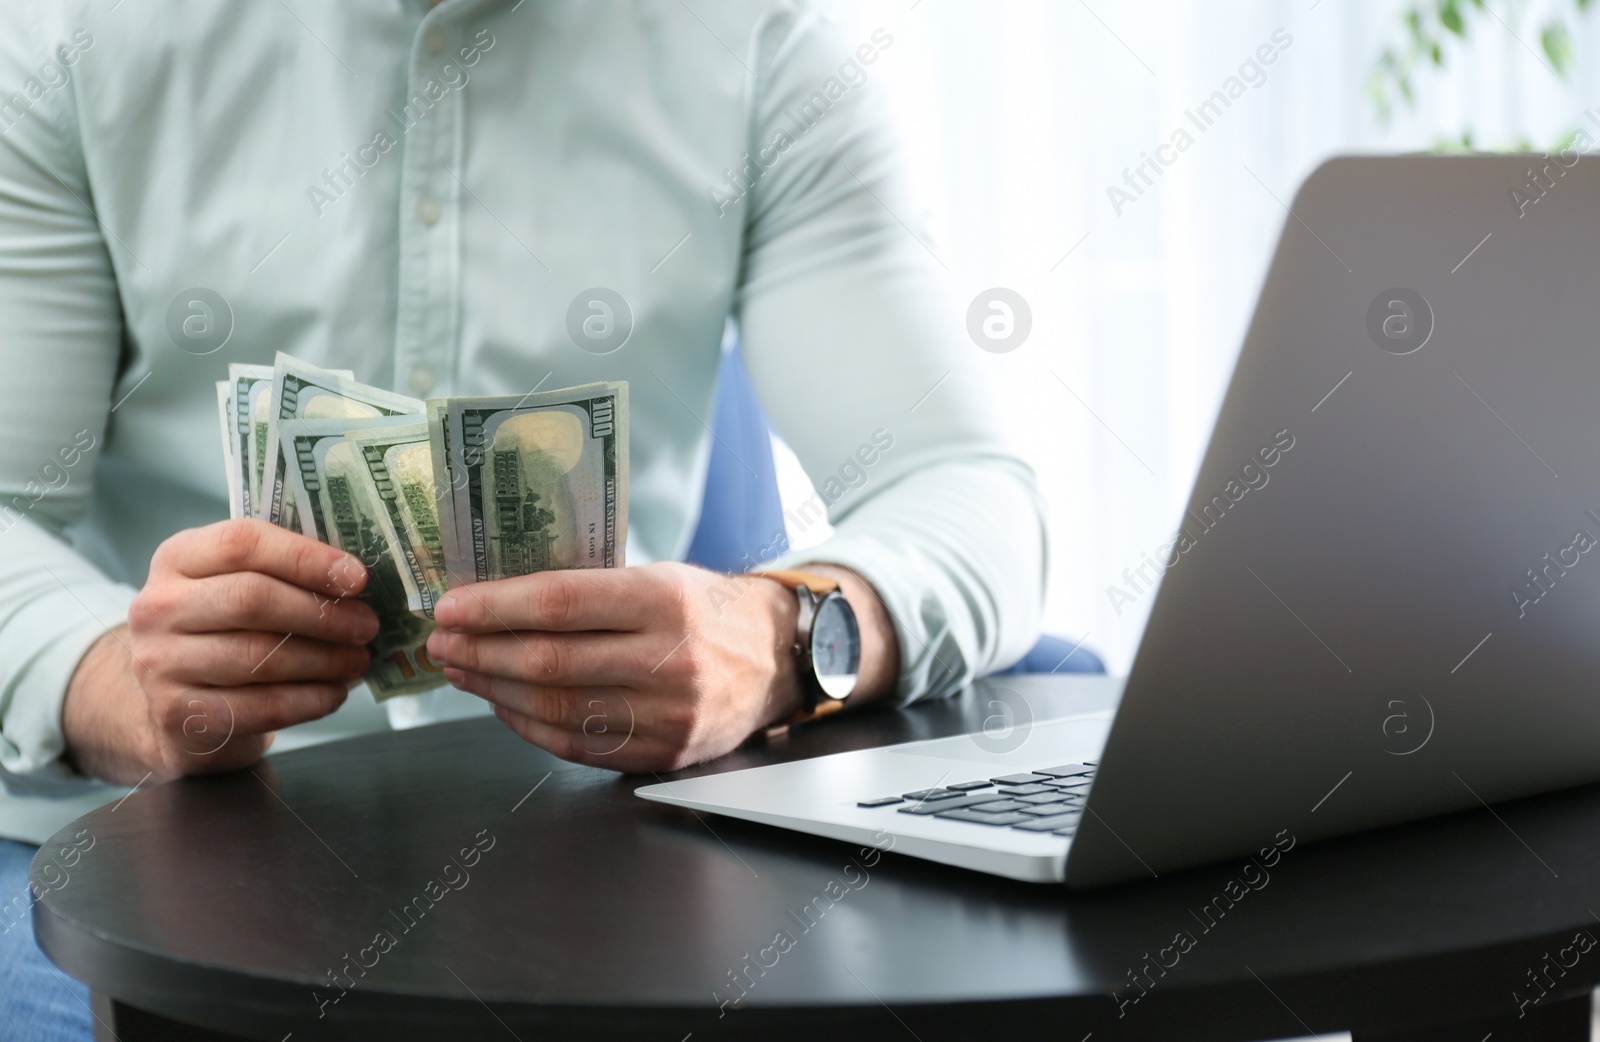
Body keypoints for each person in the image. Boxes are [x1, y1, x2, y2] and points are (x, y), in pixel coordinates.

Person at [0, 0, 1046, 1035]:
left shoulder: (761, 45)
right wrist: (112, 684)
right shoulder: (64, 39)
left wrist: (785, 636)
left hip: (586, 845)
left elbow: (971, 495)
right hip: (125, 855)